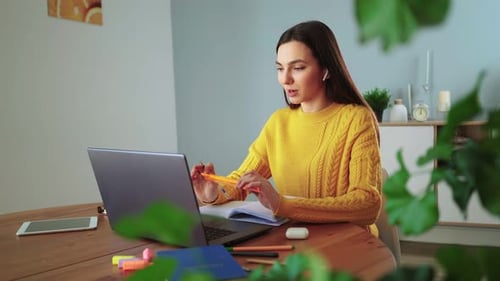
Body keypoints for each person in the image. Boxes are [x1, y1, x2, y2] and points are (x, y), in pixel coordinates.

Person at [191, 20, 382, 235]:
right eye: (280, 68)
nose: (285, 79)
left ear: (326, 69)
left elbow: (368, 204)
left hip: (351, 243)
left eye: (298, 68)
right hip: (297, 239)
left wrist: (282, 204)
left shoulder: (357, 120)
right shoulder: (278, 122)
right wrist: (212, 194)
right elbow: (240, 182)